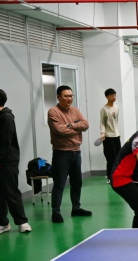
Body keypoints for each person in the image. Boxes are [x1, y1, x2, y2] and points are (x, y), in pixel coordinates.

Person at [0, 89, 31, 235]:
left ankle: (22, 222)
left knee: (11, 192)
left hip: (7, 162)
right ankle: (2, 223)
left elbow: (5, 140)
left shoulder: (6, 117)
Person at [47, 85, 92, 223]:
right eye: (66, 96)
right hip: (61, 153)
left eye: (71, 96)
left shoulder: (75, 110)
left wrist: (70, 125)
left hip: (76, 152)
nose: (69, 98)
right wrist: (77, 127)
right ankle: (56, 212)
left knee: (77, 182)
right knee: (59, 183)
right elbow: (59, 130)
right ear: (58, 97)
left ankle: (76, 208)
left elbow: (86, 125)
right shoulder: (53, 112)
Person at [99, 88, 121, 183]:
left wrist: (118, 132)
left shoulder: (117, 107)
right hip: (108, 136)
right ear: (106, 97)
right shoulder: (104, 109)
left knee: (118, 157)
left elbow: (116, 121)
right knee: (111, 158)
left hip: (116, 135)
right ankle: (109, 176)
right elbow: (102, 122)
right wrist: (102, 133)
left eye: (115, 95)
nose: (114, 97)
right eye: (112, 96)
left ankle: (117, 175)